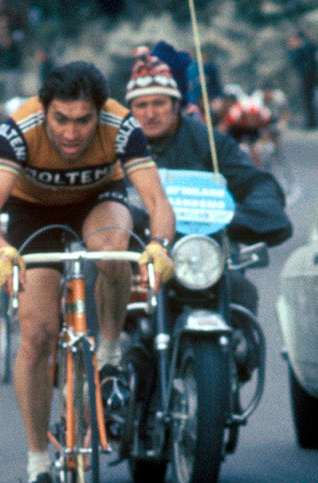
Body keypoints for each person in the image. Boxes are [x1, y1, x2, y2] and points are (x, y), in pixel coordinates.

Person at [0, 60, 176, 483]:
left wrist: (160, 246)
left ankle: (107, 357)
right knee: (38, 333)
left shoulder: (120, 125)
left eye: (83, 121)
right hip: (33, 213)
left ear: (99, 113)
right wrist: (0, 251)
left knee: (112, 252)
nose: (71, 132)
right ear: (45, 112)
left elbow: (158, 200)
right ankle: (39, 464)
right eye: (61, 119)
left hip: (99, 201)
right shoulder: (20, 127)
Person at [125, 45, 292, 315]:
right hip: (134, 259)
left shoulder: (209, 141)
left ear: (176, 104)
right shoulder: (116, 142)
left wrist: (242, 214)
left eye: (159, 103)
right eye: (141, 105)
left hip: (200, 258)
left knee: (241, 294)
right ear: (130, 109)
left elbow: (257, 183)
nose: (150, 113)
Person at [286, 30, 318, 129]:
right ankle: (311, 121)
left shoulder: (304, 48)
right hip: (308, 76)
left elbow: (295, 61)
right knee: (308, 99)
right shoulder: (308, 47)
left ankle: (311, 122)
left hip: (308, 76)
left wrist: (294, 50)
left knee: (308, 99)